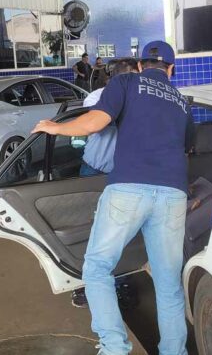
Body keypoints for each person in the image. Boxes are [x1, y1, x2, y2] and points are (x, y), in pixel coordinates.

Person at [33, 41, 194, 355]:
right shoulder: (182, 101)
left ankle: (115, 348)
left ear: (139, 66)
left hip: (129, 188)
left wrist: (55, 127)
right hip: (173, 193)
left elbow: (95, 122)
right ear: (171, 70)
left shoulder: (126, 82)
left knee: (96, 268)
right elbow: (186, 147)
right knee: (168, 283)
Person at [72, 57, 140, 309]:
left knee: (121, 230)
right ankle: (87, 284)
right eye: (131, 77)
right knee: (90, 229)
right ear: (114, 79)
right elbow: (96, 116)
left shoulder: (142, 100)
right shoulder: (97, 97)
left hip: (124, 175)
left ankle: (121, 280)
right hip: (94, 170)